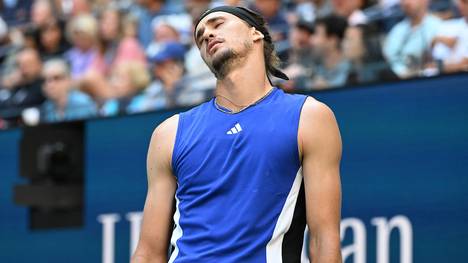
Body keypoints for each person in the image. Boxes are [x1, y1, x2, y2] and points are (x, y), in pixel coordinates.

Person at [132, 6, 342, 263]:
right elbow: (148, 253)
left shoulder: (310, 117)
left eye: (218, 24)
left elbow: (324, 241)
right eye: (200, 36)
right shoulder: (168, 133)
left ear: (256, 34)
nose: (207, 34)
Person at [383, 0, 442, 78]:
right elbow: (390, 57)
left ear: (425, 1)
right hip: (399, 81)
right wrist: (403, 72)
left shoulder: (440, 26)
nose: (406, 3)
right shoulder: (397, 30)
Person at [40, 58, 97, 122]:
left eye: (57, 78)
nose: (50, 85)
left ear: (69, 80)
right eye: (45, 80)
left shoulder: (83, 104)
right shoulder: (46, 108)